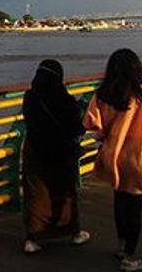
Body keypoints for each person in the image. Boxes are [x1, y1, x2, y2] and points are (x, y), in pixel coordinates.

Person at [83, 48, 142, 272]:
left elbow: (91, 124)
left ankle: (122, 246)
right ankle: (131, 257)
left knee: (119, 201)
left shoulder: (103, 94)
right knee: (135, 206)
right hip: (140, 157)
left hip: (115, 156)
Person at [20, 59, 90, 254]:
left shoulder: (30, 97)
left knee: (36, 192)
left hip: (36, 149)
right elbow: (76, 127)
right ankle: (72, 231)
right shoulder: (65, 100)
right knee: (65, 189)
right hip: (62, 150)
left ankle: (33, 238)